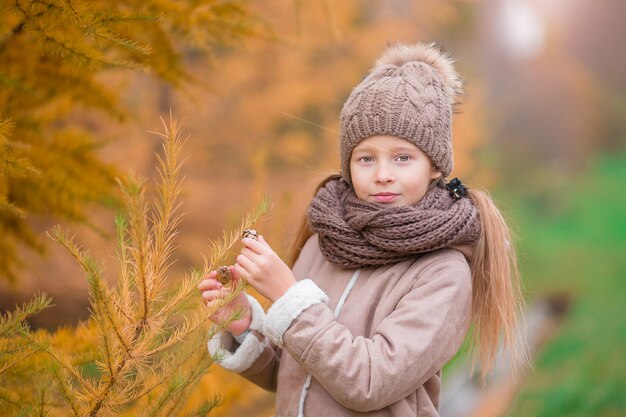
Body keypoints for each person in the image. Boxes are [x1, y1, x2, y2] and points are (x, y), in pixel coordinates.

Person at [198, 42, 526, 416]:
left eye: (403, 158)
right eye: (366, 158)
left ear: (435, 166)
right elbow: (302, 373)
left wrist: (287, 297)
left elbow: (370, 382)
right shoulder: (326, 243)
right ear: (348, 165)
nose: (383, 174)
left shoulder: (442, 272)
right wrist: (246, 328)